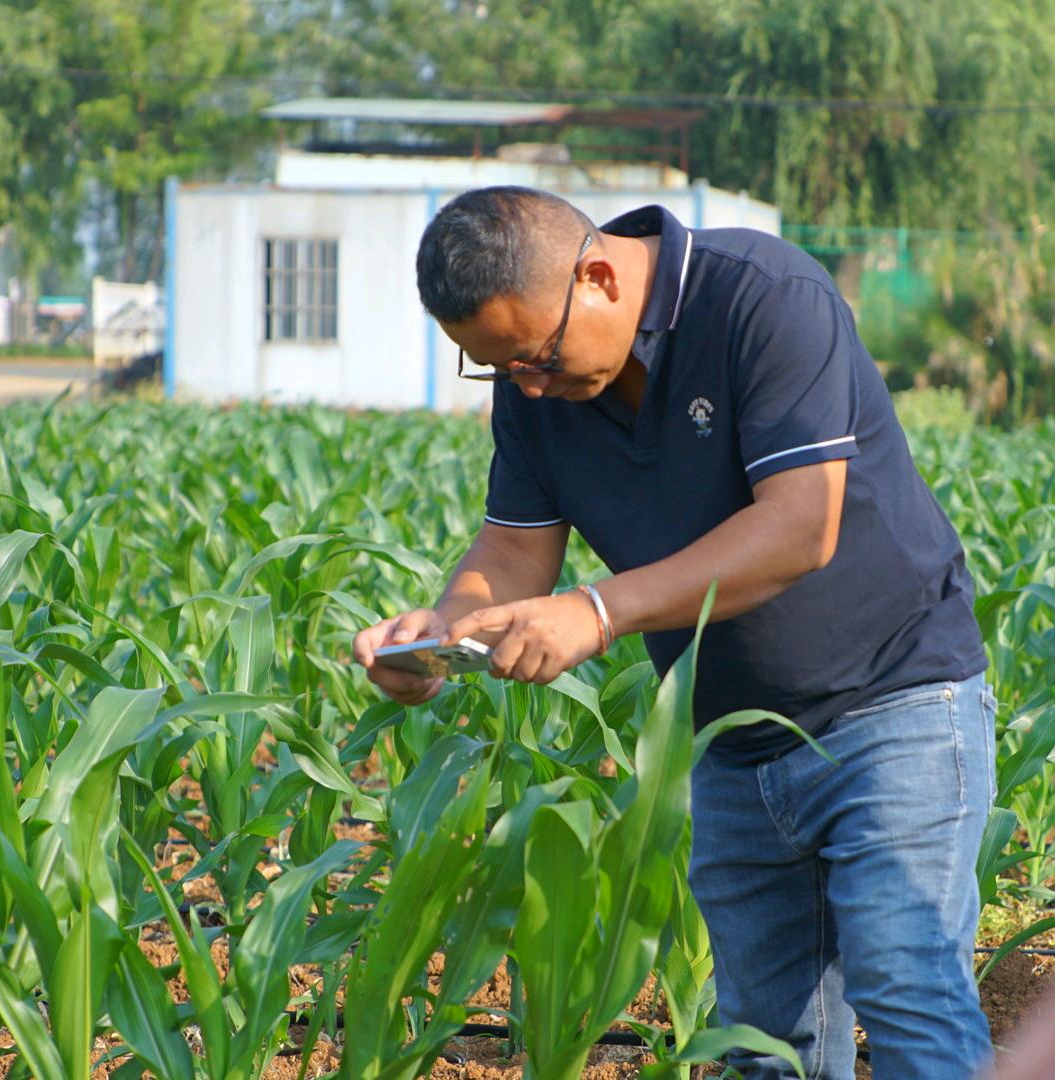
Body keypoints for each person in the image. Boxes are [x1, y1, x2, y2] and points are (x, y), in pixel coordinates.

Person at [352, 185, 996, 1079]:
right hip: (732, 740)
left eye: (536, 356)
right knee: (767, 1043)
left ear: (601, 275)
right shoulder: (535, 382)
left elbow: (800, 526)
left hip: (892, 706)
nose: (528, 386)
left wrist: (600, 610)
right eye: (499, 370)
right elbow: (512, 546)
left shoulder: (763, 298)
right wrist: (441, 629)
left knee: (906, 990)